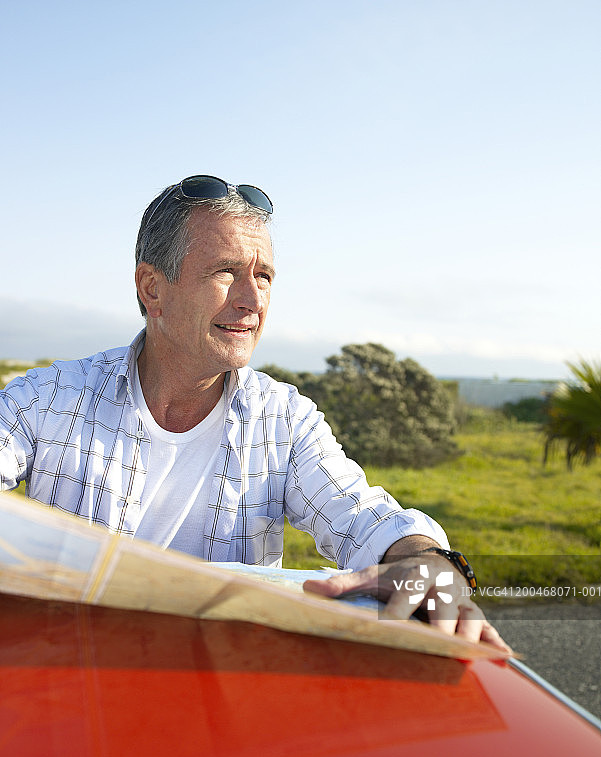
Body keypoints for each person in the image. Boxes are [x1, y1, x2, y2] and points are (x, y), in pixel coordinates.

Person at [0, 174, 508, 651]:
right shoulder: (53, 394)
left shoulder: (285, 418)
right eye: (225, 272)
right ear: (152, 288)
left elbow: (363, 517)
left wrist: (427, 563)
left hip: (228, 693)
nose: (251, 300)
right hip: (68, 681)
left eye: (263, 276)